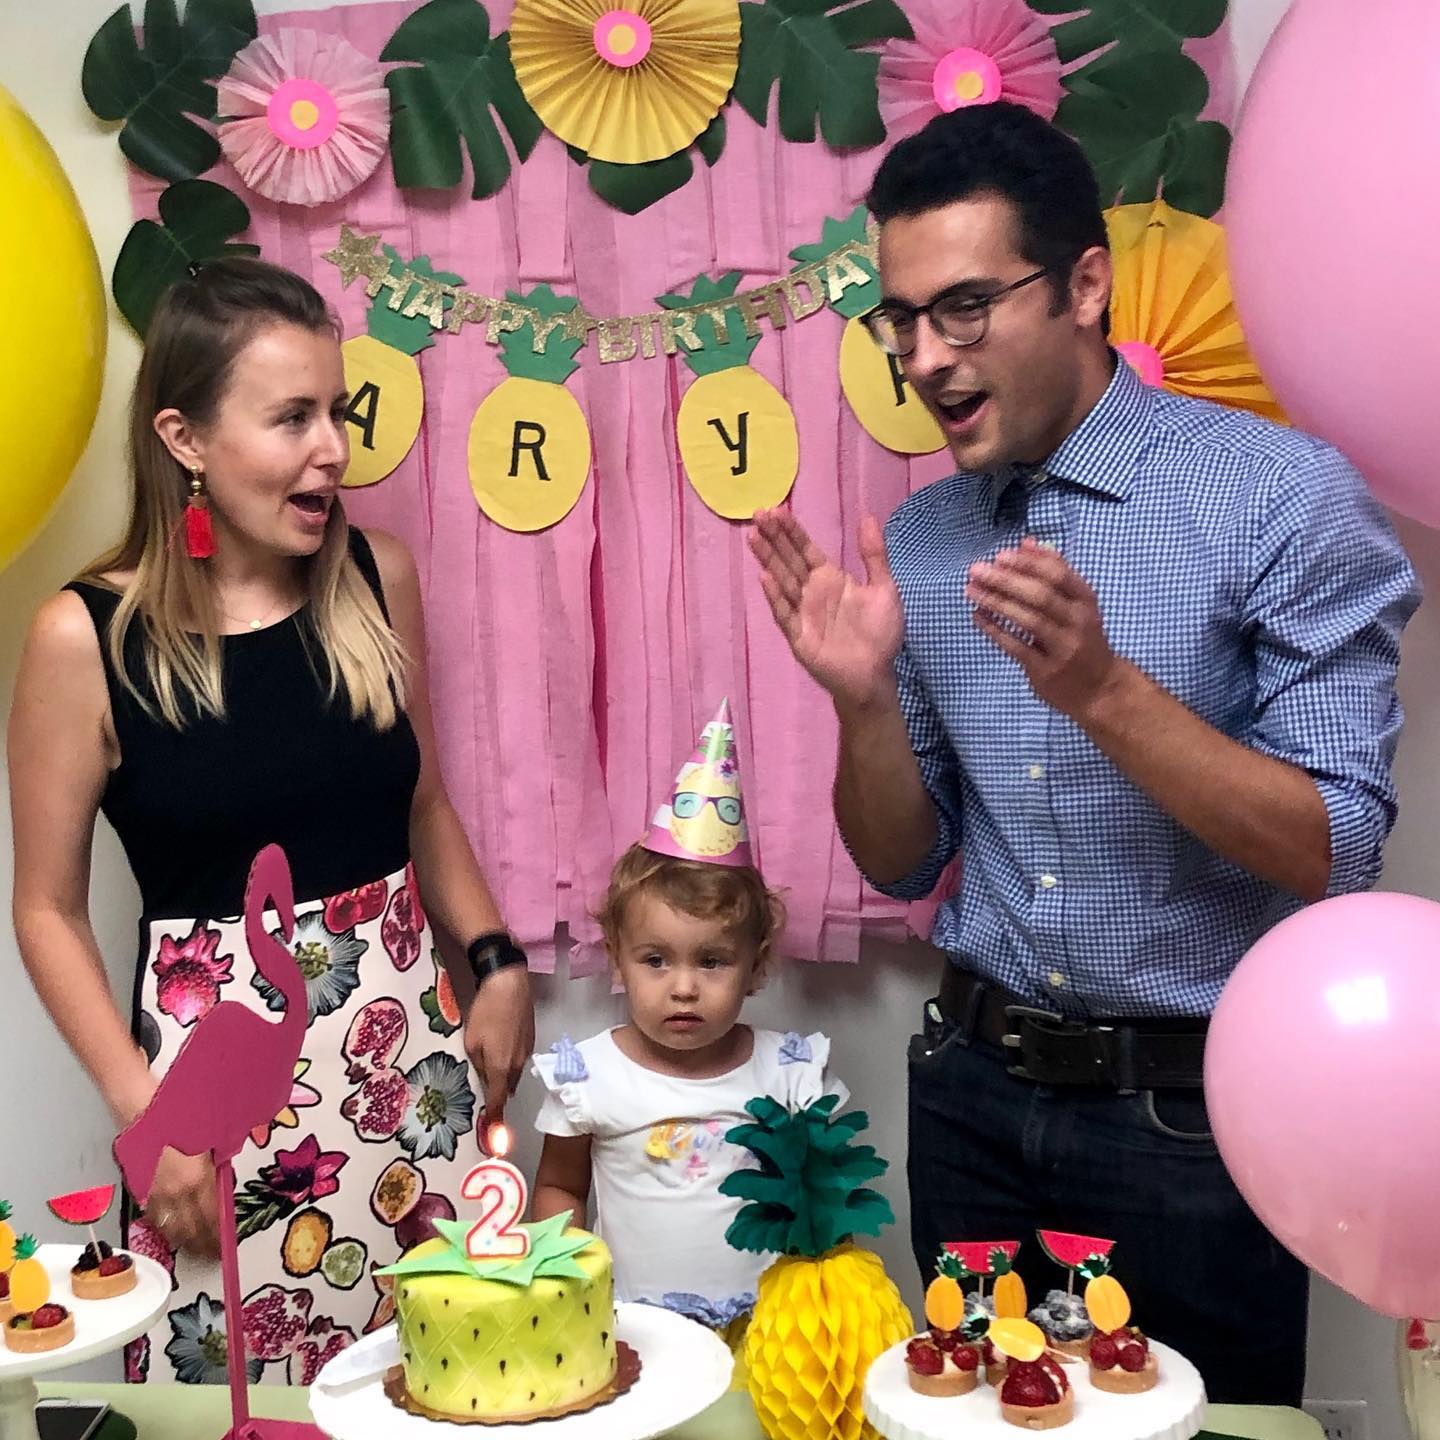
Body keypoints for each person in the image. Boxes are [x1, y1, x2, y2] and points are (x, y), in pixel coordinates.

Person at [749, 102, 1419, 1405]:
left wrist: (1103, 690)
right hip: (971, 1101)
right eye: (901, 322)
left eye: (964, 309)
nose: (926, 359)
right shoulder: (925, 540)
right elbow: (901, 862)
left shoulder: (1281, 496)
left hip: (1193, 1125)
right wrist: (863, 703)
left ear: (1085, 287)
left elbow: (1335, 850)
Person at [8, 258, 534, 1382]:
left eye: (336, 411)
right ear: (185, 439)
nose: (333, 448)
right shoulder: (84, 639)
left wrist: (495, 961)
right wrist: (147, 1119)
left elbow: (424, 802)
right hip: (214, 1116)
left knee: (450, 1386)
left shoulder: (375, 580)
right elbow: (46, 909)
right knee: (241, 1399)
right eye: (292, 417)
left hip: (411, 1080)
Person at [531, 703, 846, 1341]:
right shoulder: (590, 1077)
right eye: (655, 960)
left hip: (767, 1332)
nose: (682, 987)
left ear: (755, 967)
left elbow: (829, 1192)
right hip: (633, 1329)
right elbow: (561, 1185)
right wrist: (560, 1286)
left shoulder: (787, 1074)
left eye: (712, 961)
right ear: (617, 958)